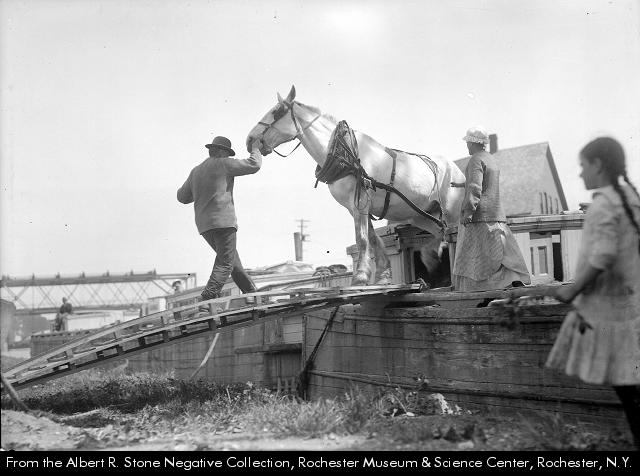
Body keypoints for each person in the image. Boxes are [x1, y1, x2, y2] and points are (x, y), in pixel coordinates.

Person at [546, 137, 640, 450]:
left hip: (615, 314)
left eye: (583, 165)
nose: (580, 173)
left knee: (630, 392)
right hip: (633, 306)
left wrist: (573, 288)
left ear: (598, 165)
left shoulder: (603, 205)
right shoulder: (631, 197)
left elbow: (604, 255)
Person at [177, 136, 262, 304]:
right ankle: (208, 295)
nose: (229, 157)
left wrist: (202, 191)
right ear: (222, 152)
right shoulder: (223, 163)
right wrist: (256, 148)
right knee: (225, 262)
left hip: (204, 226)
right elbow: (254, 164)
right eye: (228, 154)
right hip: (224, 222)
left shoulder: (196, 171)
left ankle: (251, 294)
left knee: (232, 261)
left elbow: (182, 197)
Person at [451, 126, 531, 292]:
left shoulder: (475, 160)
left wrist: (468, 212)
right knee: (501, 255)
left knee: (479, 260)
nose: (467, 146)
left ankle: (485, 292)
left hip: (479, 217)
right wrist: (460, 184)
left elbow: (475, 187)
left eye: (468, 142)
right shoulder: (492, 159)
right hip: (496, 215)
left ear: (474, 143)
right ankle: (513, 281)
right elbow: (486, 181)